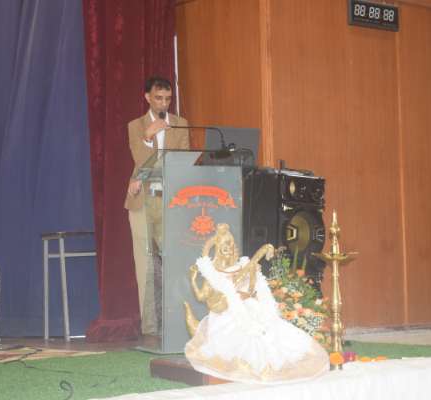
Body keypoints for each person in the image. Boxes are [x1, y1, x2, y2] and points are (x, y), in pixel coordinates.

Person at [184, 224, 329, 383]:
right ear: (217, 248)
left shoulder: (243, 265)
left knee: (271, 330)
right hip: (227, 313)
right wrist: (193, 280)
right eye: (224, 246)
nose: (228, 249)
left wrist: (249, 290)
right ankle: (249, 365)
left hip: (251, 308)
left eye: (230, 245)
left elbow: (253, 288)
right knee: (243, 339)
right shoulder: (212, 272)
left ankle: (270, 365)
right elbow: (201, 297)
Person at [124, 76, 190, 335]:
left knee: (174, 259)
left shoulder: (180, 124)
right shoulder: (136, 126)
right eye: (159, 98)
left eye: (168, 99)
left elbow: (184, 161)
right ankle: (150, 327)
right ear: (147, 98)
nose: (164, 103)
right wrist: (148, 137)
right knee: (145, 264)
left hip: (170, 199)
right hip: (142, 198)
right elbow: (139, 160)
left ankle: (176, 321)